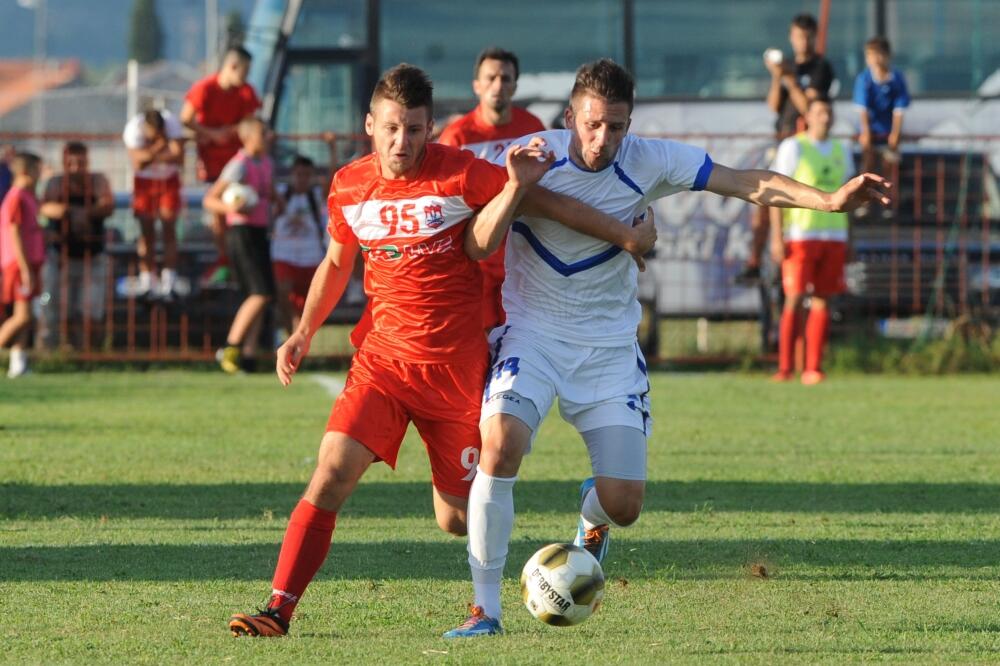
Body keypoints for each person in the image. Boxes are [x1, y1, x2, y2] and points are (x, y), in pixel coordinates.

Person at [445, 59, 890, 638]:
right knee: (501, 445)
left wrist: (827, 201)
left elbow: (746, 182)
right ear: (570, 117)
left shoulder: (651, 159)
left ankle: (593, 513)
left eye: (615, 127)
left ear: (629, 125)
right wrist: (512, 188)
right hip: (533, 333)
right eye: (592, 124)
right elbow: (473, 232)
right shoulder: (531, 155)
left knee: (623, 505)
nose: (602, 139)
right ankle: (485, 611)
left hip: (608, 347)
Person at [226, 63, 655, 639]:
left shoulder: (461, 173)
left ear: (431, 129)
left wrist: (623, 234)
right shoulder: (349, 186)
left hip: (455, 373)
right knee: (331, 471)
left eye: (414, 130)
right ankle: (278, 609)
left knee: (455, 518)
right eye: (391, 128)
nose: (402, 142)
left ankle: (576, 515)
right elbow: (335, 261)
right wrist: (303, 331)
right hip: (382, 364)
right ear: (370, 125)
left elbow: (541, 203)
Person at [439, 47, 546, 331]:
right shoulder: (457, 136)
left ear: (515, 86)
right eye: (491, 78)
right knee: (481, 341)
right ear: (477, 85)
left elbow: (549, 186)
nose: (498, 86)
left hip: (525, 258)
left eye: (505, 78)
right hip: (477, 261)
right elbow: (446, 204)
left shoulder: (533, 128)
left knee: (522, 339)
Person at [736, 12, 836, 284]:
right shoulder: (789, 67)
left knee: (800, 200)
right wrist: (776, 77)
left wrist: (790, 80)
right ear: (791, 37)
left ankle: (792, 260)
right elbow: (773, 106)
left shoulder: (820, 68)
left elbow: (809, 109)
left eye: (807, 37)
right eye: (798, 37)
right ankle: (756, 261)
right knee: (764, 198)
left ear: (814, 37)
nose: (803, 42)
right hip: (782, 141)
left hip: (803, 143)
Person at [769, 97, 854, 385]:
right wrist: (777, 236)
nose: (825, 118)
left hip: (834, 236)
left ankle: (813, 368)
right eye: (819, 112)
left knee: (822, 299)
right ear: (808, 117)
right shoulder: (794, 147)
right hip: (800, 235)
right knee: (793, 298)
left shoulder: (842, 149)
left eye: (829, 112)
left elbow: (848, 198)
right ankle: (785, 368)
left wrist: (850, 237)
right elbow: (776, 193)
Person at [203, 117, 280, 374]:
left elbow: (268, 193)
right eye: (262, 133)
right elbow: (210, 199)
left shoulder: (266, 162)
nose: (268, 137)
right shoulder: (239, 165)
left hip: (260, 231)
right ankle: (230, 346)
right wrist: (232, 207)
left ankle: (248, 355)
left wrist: (277, 202)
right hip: (241, 233)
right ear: (247, 138)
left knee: (262, 295)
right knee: (259, 293)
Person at [181, 46, 261, 286]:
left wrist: (232, 131)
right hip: (213, 166)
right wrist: (212, 134)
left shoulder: (246, 92)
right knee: (219, 215)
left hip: (238, 166)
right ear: (232, 67)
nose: (247, 78)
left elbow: (252, 122)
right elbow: (186, 118)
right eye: (245, 71)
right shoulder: (204, 88)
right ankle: (226, 261)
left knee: (239, 213)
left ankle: (237, 261)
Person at [38, 142, 115, 350]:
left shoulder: (98, 181)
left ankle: (88, 354)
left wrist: (86, 213)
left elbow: (108, 205)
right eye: (71, 163)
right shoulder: (55, 183)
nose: (76, 168)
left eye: (81, 163)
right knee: (54, 308)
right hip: (60, 257)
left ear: (87, 162)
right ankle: (52, 352)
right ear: (64, 163)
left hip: (92, 258)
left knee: (89, 312)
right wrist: (71, 212)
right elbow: (45, 207)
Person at [122, 108, 186, 299]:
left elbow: (179, 157)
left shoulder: (172, 123)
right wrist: (161, 146)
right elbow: (138, 163)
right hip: (144, 183)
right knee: (146, 232)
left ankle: (169, 280)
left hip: (169, 181)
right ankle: (147, 280)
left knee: (169, 228)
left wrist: (149, 155)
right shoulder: (133, 129)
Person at [271, 155, 328, 336]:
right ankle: (288, 332)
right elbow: (267, 184)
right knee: (283, 291)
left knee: (304, 306)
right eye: (298, 174)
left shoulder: (315, 195)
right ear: (292, 175)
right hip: (284, 253)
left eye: (306, 175)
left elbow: (333, 181)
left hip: (311, 256)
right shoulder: (282, 193)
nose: (302, 179)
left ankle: (297, 340)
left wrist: (332, 149)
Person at [0, 153, 44, 377]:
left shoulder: (28, 196)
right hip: (19, 265)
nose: (40, 175)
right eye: (37, 170)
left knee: (26, 317)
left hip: (30, 264)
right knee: (23, 316)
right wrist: (25, 268)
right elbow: (14, 233)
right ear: (26, 172)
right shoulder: (16, 196)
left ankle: (18, 365)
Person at [854, 36, 910, 175]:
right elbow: (863, 109)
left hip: (888, 133)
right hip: (871, 132)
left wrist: (895, 133)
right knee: (867, 166)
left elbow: (899, 109)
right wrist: (866, 132)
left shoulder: (897, 78)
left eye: (878, 54)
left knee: (888, 168)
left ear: (888, 56)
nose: (874, 60)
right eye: (870, 55)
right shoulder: (863, 79)